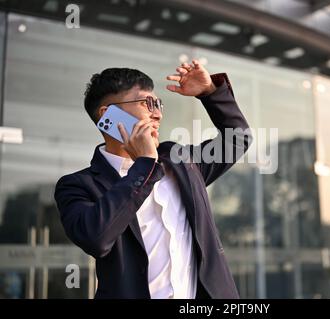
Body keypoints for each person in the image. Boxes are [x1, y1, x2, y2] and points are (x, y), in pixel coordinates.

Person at [54, 60, 252, 299]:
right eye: (147, 103)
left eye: (158, 103)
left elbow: (237, 139)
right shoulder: (78, 186)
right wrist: (144, 164)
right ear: (108, 115)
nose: (157, 114)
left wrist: (210, 91)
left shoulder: (181, 162)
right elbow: (96, 238)